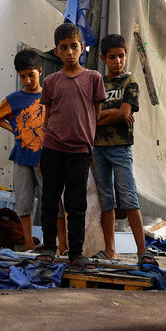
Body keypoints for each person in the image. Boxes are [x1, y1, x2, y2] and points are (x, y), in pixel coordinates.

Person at [36, 22, 106, 267]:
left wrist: (89, 147)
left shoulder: (94, 79)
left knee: (77, 204)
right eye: (63, 47)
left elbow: (95, 115)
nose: (69, 52)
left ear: (82, 47)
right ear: (56, 51)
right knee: (50, 201)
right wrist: (43, 148)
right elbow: (47, 116)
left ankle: (76, 252)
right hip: (53, 149)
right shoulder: (51, 82)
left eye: (73, 46)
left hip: (79, 151)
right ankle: (48, 247)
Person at [92, 34, 151, 264]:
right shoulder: (99, 83)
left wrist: (103, 116)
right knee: (106, 199)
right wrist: (111, 114)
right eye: (113, 57)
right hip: (98, 148)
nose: (118, 61)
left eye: (122, 56)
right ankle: (110, 250)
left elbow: (124, 113)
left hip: (120, 147)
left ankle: (142, 251)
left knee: (128, 196)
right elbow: (92, 116)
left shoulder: (130, 82)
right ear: (104, 58)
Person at [0, 49, 46, 249]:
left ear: (40, 71)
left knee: (52, 202)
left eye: (31, 75)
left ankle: (55, 243)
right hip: (22, 156)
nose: (28, 80)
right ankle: (29, 243)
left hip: (45, 157)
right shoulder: (15, 98)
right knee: (24, 202)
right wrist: (14, 129)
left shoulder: (49, 95)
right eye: (23, 76)